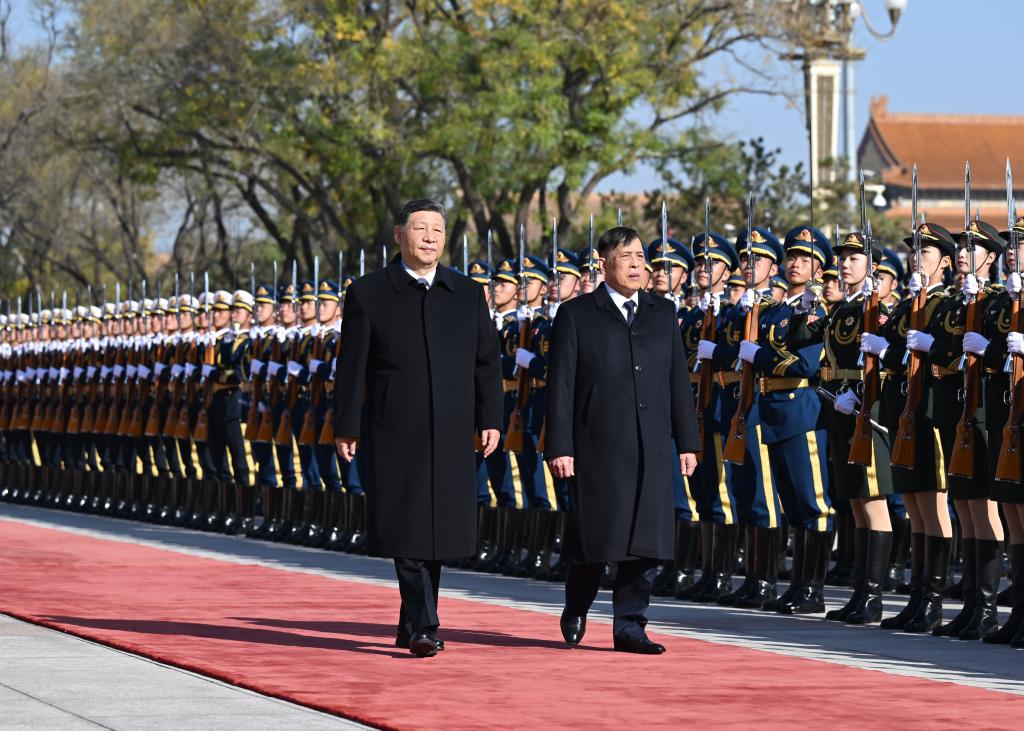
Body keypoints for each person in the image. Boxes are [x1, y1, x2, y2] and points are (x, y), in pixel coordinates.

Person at [334, 198, 502, 658]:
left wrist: (491, 418)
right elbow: (352, 369)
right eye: (420, 228)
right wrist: (346, 426)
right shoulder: (369, 293)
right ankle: (426, 623)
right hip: (394, 428)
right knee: (405, 523)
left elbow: (486, 363)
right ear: (398, 235)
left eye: (438, 230)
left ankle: (412, 623)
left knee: (437, 530)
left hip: (451, 429)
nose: (430, 237)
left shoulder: (467, 293)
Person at [546, 226, 700, 654]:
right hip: (597, 445)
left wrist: (689, 442)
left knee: (646, 540)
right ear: (603, 264)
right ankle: (577, 603)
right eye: (627, 257)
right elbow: (559, 387)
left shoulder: (662, 313)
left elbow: (677, 381)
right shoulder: (577, 314)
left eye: (640, 257)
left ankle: (630, 625)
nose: (637, 265)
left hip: (651, 443)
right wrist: (559, 447)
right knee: (598, 538)